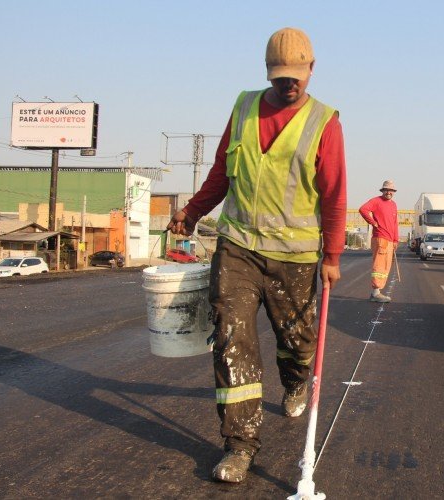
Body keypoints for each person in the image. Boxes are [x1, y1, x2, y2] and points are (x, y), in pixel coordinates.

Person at [166, 27, 346, 484]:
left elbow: (334, 196)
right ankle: (240, 445)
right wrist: (192, 211)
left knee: (297, 343)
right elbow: (221, 173)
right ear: (267, 71)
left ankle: (295, 380)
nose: (289, 84)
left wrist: (334, 255)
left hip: (296, 259)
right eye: (280, 76)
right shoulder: (245, 107)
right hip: (239, 249)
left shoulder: (325, 122)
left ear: (312, 69)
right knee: (232, 342)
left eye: (297, 76)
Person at [358, 180, 399, 302]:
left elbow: (395, 223)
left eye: (391, 190)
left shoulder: (393, 205)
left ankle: (377, 291)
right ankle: (376, 292)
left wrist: (396, 239)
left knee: (386, 265)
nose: (389, 192)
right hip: (381, 238)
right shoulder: (376, 201)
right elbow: (363, 209)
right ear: (382, 191)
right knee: (380, 265)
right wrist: (373, 222)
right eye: (386, 190)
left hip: (390, 240)